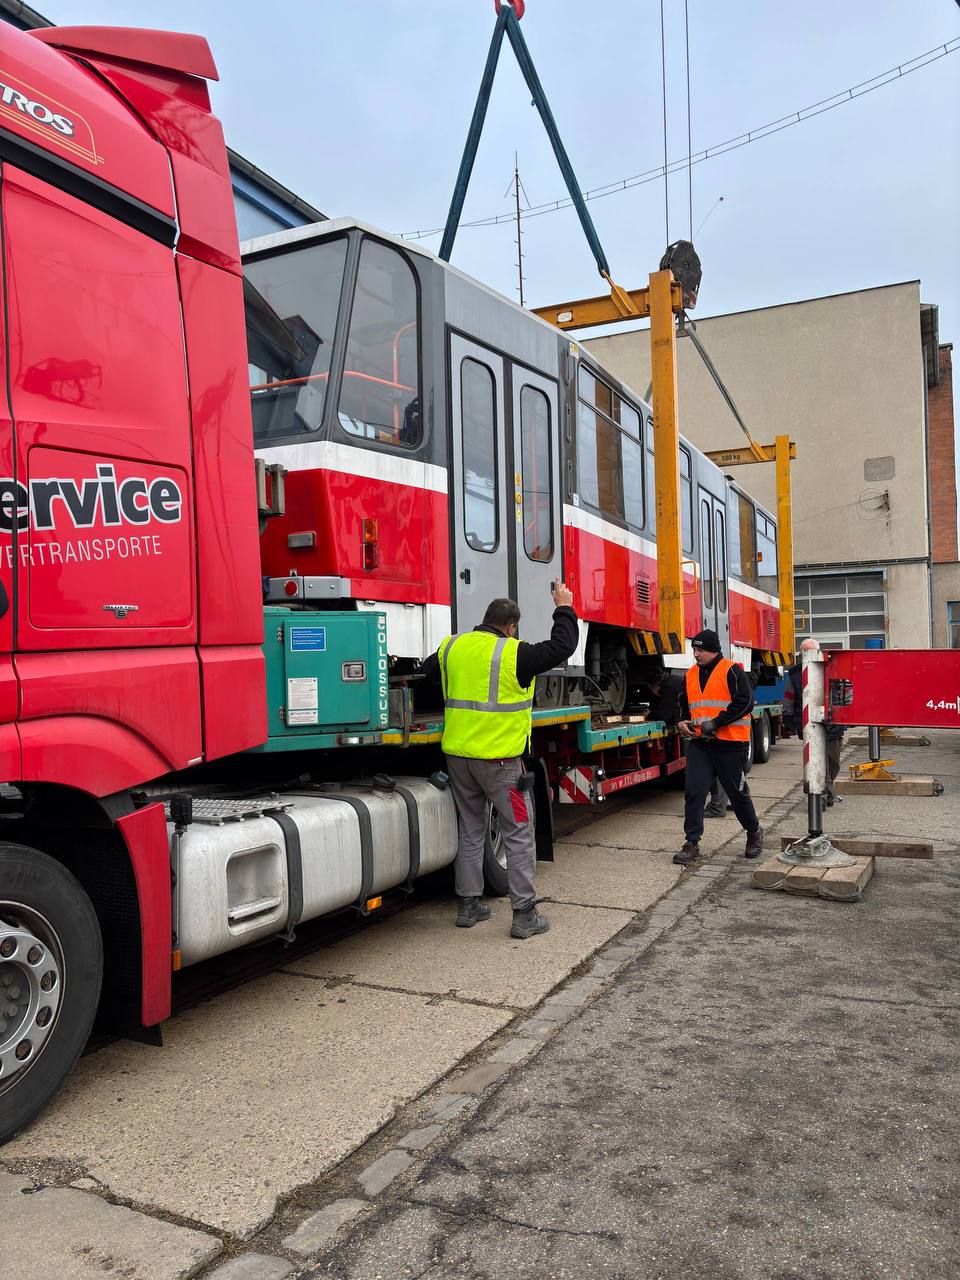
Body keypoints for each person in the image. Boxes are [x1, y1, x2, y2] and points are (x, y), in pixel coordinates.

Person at [420, 583, 579, 937]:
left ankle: (468, 905)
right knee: (519, 835)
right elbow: (563, 646)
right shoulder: (514, 654)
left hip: (459, 759)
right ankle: (523, 915)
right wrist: (564, 607)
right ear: (511, 627)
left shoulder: (452, 647)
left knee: (472, 829)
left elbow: (428, 674)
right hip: (502, 764)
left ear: (484, 620)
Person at [673, 629, 764, 865]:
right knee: (694, 792)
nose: (695, 654)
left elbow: (745, 703)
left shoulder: (732, 670)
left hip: (730, 744)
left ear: (714, 650)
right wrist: (681, 721)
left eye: (700, 649)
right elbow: (685, 705)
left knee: (737, 793)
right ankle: (691, 843)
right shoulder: (690, 675)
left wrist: (716, 722)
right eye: (694, 649)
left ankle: (754, 832)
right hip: (700, 744)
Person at [783, 637, 845, 805]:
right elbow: (789, 697)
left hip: (832, 723)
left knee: (833, 761)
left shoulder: (833, 668)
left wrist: (843, 717)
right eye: (804, 651)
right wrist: (787, 717)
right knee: (814, 762)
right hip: (808, 723)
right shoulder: (795, 673)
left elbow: (843, 694)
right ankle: (821, 797)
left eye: (809, 651)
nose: (806, 654)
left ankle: (828, 789)